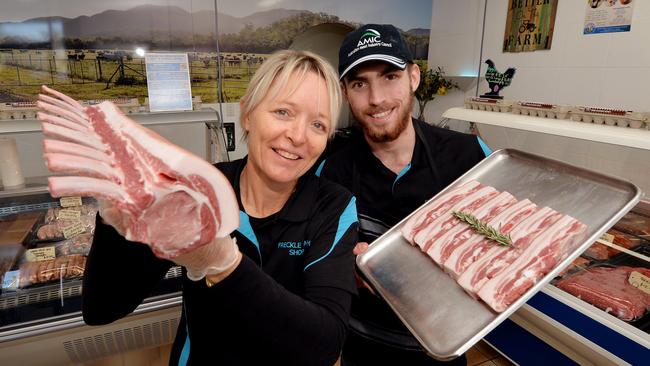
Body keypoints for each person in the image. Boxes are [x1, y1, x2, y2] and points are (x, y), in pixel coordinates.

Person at [82, 50, 359, 365]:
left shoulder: (333, 207)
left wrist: (224, 264)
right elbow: (101, 309)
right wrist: (114, 227)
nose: (297, 136)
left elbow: (325, 345)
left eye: (318, 125)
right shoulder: (199, 191)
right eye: (283, 112)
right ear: (248, 114)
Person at [317, 24, 492, 366]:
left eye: (389, 77)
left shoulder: (470, 156)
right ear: (344, 92)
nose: (377, 98)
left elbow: (504, 241)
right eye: (359, 83)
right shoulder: (329, 169)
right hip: (363, 350)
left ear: (413, 77)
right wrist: (341, 266)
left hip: (444, 349)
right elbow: (310, 256)